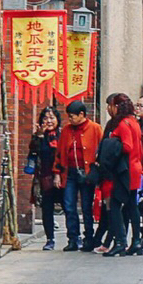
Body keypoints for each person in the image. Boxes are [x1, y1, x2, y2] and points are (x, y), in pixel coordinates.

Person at [93, 94, 142, 256]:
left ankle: (120, 241)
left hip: (124, 171)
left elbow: (126, 146)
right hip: (134, 168)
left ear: (117, 107)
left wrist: (110, 150)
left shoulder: (123, 124)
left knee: (114, 205)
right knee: (131, 206)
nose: (109, 109)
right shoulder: (134, 122)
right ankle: (136, 241)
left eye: (111, 105)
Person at [55, 101, 99, 253]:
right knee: (68, 205)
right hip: (70, 172)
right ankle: (73, 238)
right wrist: (57, 173)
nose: (70, 120)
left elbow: (100, 150)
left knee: (87, 206)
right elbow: (59, 153)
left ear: (81, 115)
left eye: (72, 116)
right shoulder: (67, 130)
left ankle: (89, 237)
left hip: (87, 172)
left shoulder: (94, 128)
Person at [27, 105, 65, 249]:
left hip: (61, 177)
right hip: (44, 177)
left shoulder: (62, 134)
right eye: (45, 118)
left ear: (57, 119)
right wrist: (39, 136)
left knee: (68, 206)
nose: (48, 121)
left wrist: (58, 174)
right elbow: (33, 152)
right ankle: (50, 239)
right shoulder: (38, 135)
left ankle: (73, 238)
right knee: (47, 208)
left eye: (51, 118)